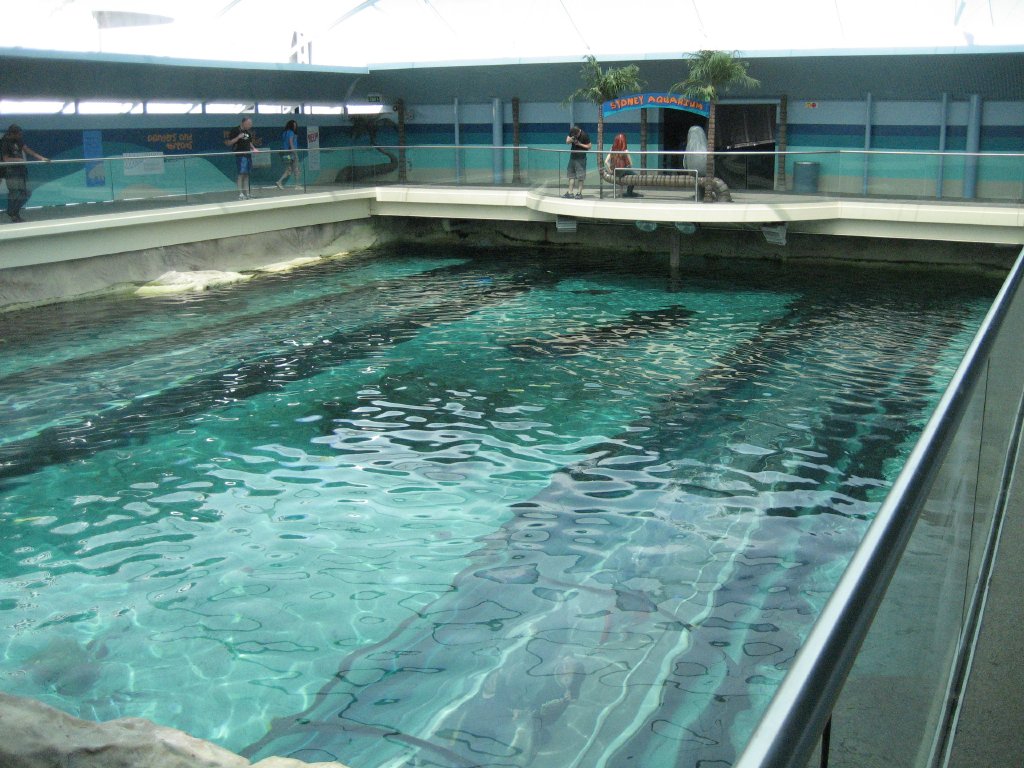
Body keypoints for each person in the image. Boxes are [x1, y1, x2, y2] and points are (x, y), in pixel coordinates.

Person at [1, 124, 49, 223]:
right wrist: (18, 159)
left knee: (25, 192)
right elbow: (6, 159)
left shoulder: (18, 141)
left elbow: (27, 150)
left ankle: (13, 212)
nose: (20, 136)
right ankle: (13, 214)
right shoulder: (4, 143)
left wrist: (41, 158)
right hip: (11, 171)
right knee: (14, 193)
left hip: (21, 170)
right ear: (13, 134)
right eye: (19, 134)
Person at [225, 117, 257, 199]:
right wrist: (238, 137)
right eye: (249, 124)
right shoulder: (235, 130)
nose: (250, 126)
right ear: (243, 123)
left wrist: (253, 148)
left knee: (247, 174)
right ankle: (241, 193)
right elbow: (228, 143)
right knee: (241, 174)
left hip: (248, 155)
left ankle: (248, 193)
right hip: (240, 155)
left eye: (251, 124)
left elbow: (249, 142)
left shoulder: (248, 132)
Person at [604, 133, 640, 198]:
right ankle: (629, 192)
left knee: (627, 172)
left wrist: (610, 171)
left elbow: (606, 162)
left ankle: (628, 192)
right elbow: (631, 164)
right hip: (622, 170)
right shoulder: (625, 151)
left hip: (615, 171)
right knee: (635, 176)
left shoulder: (612, 150)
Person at [563, 125, 591, 199]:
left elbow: (589, 146)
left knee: (580, 176)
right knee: (571, 175)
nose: (575, 136)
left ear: (579, 132)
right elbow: (567, 141)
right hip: (573, 157)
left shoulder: (584, 135)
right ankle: (570, 192)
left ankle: (579, 193)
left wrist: (579, 144)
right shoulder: (572, 133)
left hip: (581, 158)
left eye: (576, 135)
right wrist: (572, 139)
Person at [275, 119, 301, 190]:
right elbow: (291, 143)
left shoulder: (284, 133)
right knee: (296, 168)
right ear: (291, 126)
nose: (295, 127)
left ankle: (279, 181)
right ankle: (297, 185)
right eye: (294, 126)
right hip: (291, 153)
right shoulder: (291, 133)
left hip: (285, 153)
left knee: (288, 170)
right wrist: (295, 153)